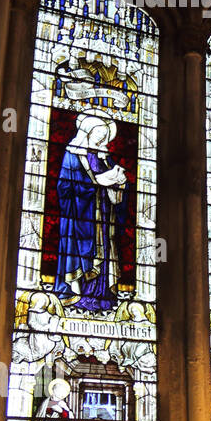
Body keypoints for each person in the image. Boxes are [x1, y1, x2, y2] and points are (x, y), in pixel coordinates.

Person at [53, 113, 127, 312]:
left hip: (102, 214)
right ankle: (77, 294)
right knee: (82, 253)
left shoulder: (105, 158)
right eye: (98, 135)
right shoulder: (72, 154)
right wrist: (96, 182)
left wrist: (119, 183)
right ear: (87, 133)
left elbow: (115, 187)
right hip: (80, 216)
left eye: (104, 137)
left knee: (104, 254)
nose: (101, 140)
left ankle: (102, 297)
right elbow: (63, 186)